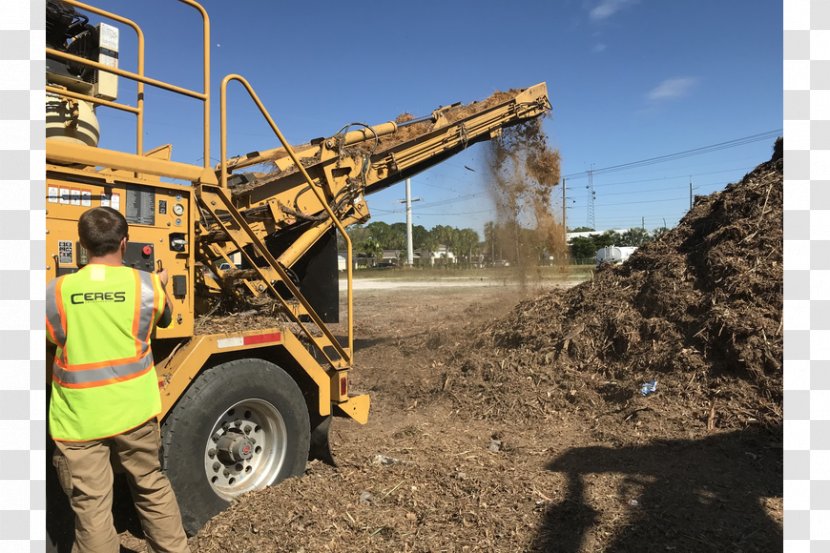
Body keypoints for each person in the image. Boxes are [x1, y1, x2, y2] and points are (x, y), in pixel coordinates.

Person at [46, 206, 190, 553]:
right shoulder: (147, 285)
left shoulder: (55, 291)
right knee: (151, 486)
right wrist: (163, 285)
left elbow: (55, 338)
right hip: (134, 410)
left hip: (79, 418)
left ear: (82, 245)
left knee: (92, 507)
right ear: (124, 243)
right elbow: (167, 319)